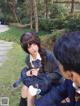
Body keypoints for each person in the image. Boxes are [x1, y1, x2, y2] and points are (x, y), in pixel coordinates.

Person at [16, 32, 63, 106]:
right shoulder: (28, 59)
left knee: (31, 89)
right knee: (26, 88)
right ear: (26, 49)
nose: (33, 48)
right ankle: (23, 103)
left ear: (38, 43)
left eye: (34, 44)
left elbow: (59, 73)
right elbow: (28, 75)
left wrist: (41, 75)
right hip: (41, 84)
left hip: (54, 85)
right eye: (29, 47)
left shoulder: (49, 56)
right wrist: (29, 73)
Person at [34, 32, 80, 106]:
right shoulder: (70, 81)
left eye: (59, 63)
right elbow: (59, 92)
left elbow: (56, 75)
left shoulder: (49, 56)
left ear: (70, 74)